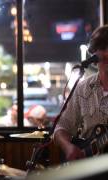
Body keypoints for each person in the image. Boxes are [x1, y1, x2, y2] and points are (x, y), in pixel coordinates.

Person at [54, 25, 108, 161]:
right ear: (94, 54)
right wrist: (68, 147)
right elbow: (61, 127)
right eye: (102, 49)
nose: (107, 54)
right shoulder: (83, 88)